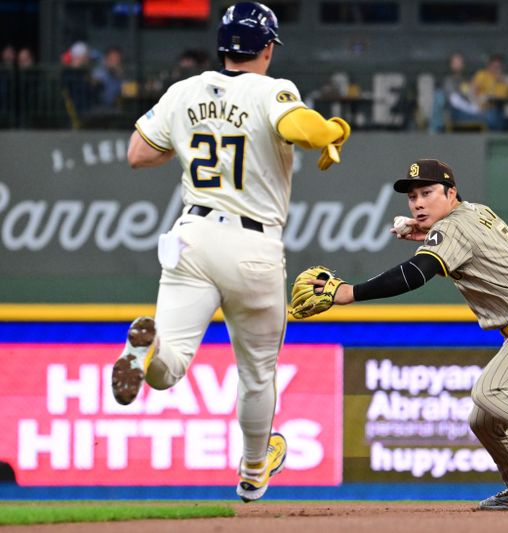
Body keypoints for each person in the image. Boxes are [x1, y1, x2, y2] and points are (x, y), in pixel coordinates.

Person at [111, 2, 351, 503]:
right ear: (266, 48)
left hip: (191, 238)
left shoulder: (183, 91)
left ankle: (146, 356)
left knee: (173, 365)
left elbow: (136, 153)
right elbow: (301, 129)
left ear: (224, 45)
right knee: (257, 372)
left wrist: (192, 136)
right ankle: (253, 472)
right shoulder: (271, 89)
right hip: (252, 244)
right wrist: (331, 131)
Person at [289, 159, 508, 510]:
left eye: (427, 193)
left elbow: (417, 272)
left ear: (451, 192)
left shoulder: (452, 229)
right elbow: (465, 242)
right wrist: (427, 234)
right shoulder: (474, 212)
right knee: (484, 420)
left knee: (491, 390)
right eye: (412, 197)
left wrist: (350, 292)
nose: (418, 203)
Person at [428, 52, 488, 133]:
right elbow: (455, 101)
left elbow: (470, 96)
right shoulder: (448, 81)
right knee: (489, 118)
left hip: (468, 111)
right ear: (450, 65)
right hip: (455, 113)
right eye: (455, 62)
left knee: (491, 115)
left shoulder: (465, 81)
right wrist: (474, 110)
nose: (457, 64)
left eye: (459, 62)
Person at [470, 54, 508, 131]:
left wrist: (500, 81)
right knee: (494, 117)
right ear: (489, 66)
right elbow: (472, 92)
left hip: (499, 109)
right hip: (484, 109)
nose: (496, 69)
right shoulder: (482, 75)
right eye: (494, 66)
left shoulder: (503, 81)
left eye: (499, 67)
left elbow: (505, 97)